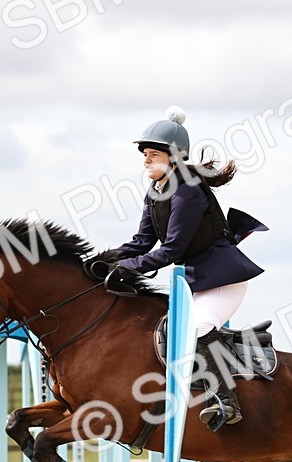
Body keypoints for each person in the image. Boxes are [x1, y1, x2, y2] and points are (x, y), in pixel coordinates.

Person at [105, 106, 267, 429]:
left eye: (152, 154)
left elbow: (171, 250)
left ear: (174, 156)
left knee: (201, 327)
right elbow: (141, 242)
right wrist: (106, 260)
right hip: (197, 281)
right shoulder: (156, 192)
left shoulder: (188, 190)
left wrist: (127, 268)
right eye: (145, 155)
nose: (146, 160)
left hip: (223, 279)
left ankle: (227, 402)